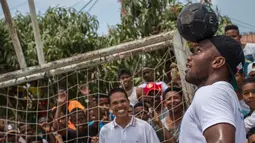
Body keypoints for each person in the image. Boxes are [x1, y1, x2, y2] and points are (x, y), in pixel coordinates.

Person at [179, 35, 246, 142]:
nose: (189, 57)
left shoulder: (210, 92)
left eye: (198, 51)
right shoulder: (225, 94)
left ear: (217, 62)